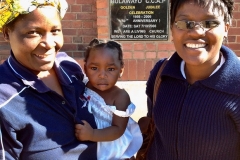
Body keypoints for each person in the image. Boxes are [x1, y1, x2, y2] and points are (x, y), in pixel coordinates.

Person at [0, 0, 99, 159]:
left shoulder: (69, 67)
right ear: (6, 33)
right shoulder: (4, 102)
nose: (49, 44)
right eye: (33, 32)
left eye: (55, 30)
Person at [145, 0, 240, 159]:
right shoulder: (162, 74)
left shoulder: (236, 88)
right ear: (172, 29)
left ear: (226, 28)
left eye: (209, 22)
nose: (196, 32)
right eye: (184, 23)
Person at [75, 38, 143, 160]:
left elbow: (118, 129)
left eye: (110, 69)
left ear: (121, 70)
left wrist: (92, 134)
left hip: (112, 148)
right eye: (94, 68)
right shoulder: (83, 87)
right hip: (90, 145)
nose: (102, 75)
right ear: (85, 69)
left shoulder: (120, 97)